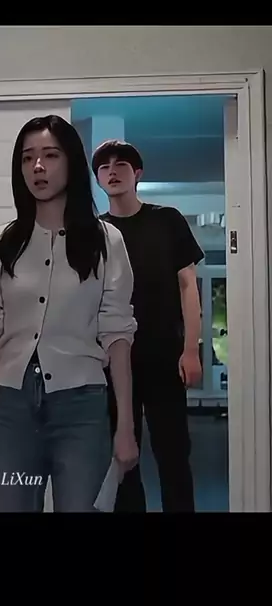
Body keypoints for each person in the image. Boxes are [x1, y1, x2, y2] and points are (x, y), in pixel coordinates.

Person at [0, 115, 138, 512]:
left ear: (71, 162)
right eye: (27, 158)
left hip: (81, 407)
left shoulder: (106, 241)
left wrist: (125, 426)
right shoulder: (1, 243)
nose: (37, 167)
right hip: (12, 410)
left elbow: (118, 335)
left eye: (50, 155)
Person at [92, 139, 204, 513]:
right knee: (123, 457)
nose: (112, 171)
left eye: (120, 164)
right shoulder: (96, 232)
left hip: (164, 355)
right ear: (98, 178)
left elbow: (188, 285)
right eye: (104, 167)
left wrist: (191, 350)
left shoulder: (167, 219)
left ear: (137, 173)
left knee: (173, 454)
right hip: (112, 360)